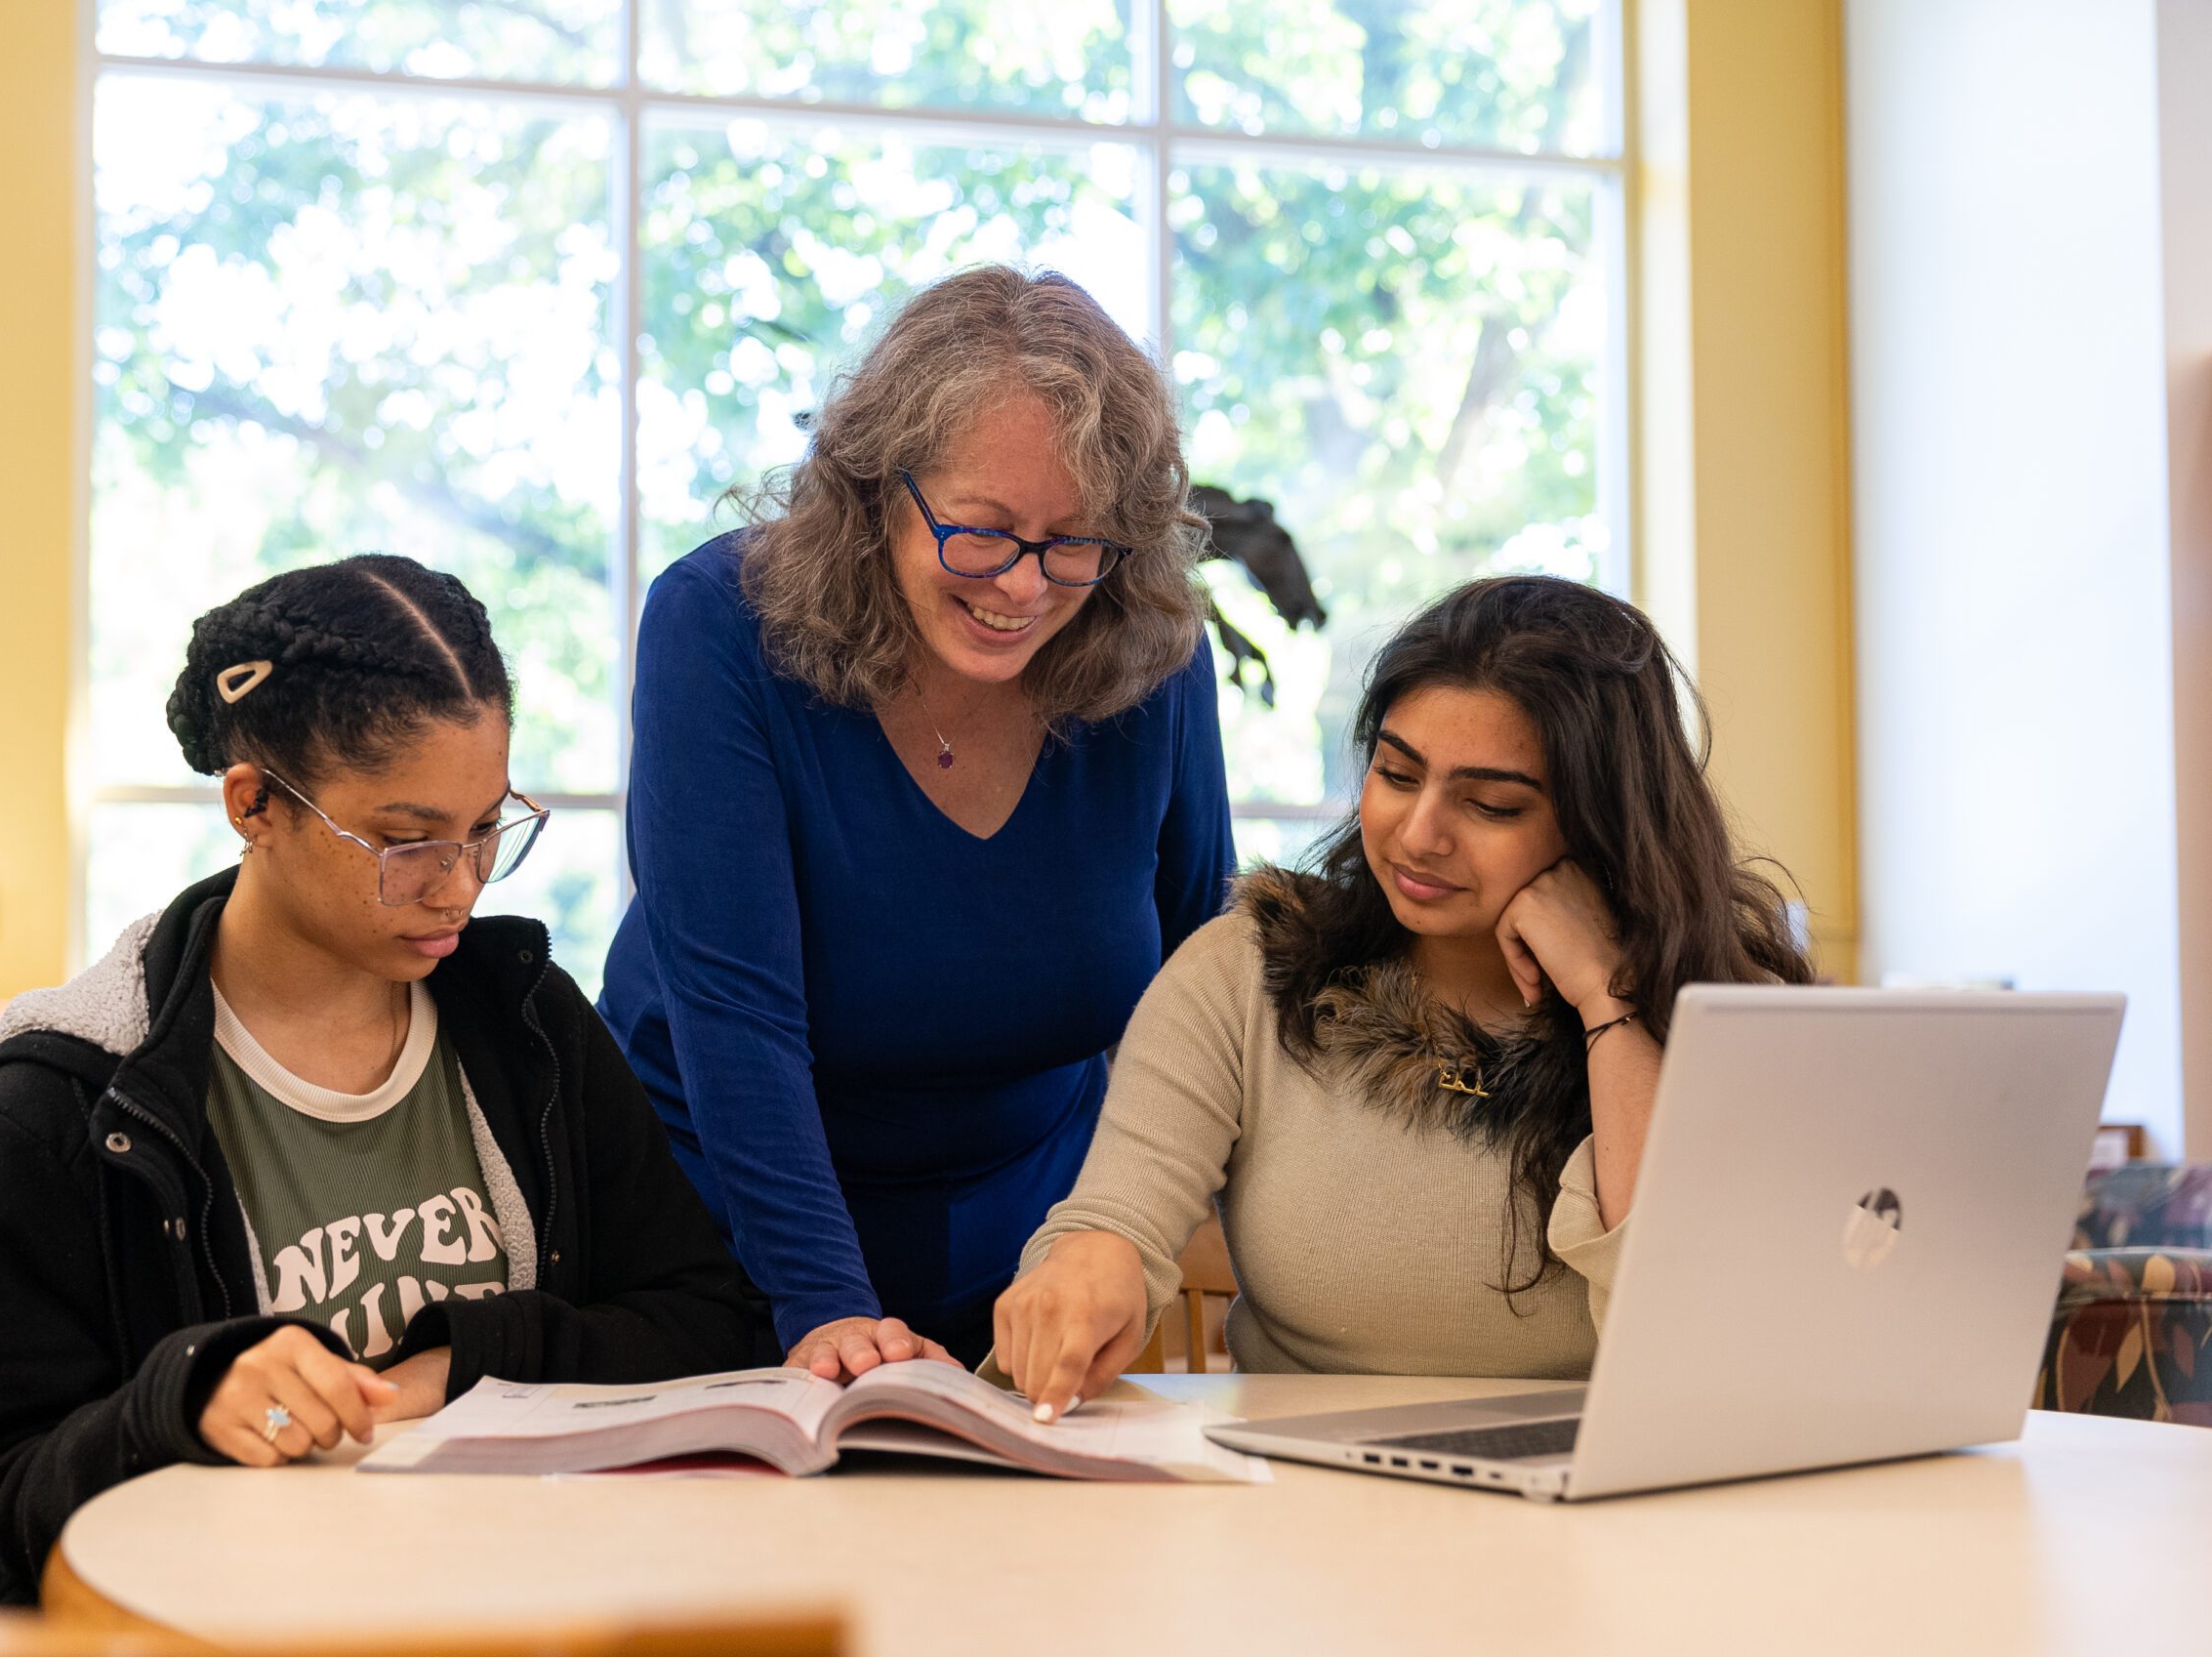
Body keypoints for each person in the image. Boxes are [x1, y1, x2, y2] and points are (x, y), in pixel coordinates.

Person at [0, 556, 772, 1604]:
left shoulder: (526, 1023)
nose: (458, 886)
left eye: (485, 830)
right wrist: (186, 1401)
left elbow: (701, 1318)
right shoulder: (72, 1095)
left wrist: (459, 1364)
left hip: (516, 1606)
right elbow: (1, 1489)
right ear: (253, 806)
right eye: (405, 840)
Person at [598, 267, 1238, 1375]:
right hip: (722, 1231)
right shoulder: (718, 625)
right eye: (982, 531)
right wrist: (825, 1304)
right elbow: (733, 1014)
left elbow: (1203, 982)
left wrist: (1116, 1239)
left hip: (1027, 1235)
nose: (1024, 587)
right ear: (877, 490)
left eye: (1073, 541)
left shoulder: (1152, 655)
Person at [990, 573, 1813, 1417]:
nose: (1419, 837)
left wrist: (1608, 999)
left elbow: (1687, 1323)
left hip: (1613, 1505)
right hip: (1304, 1507)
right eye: (1395, 772)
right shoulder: (1248, 967)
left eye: (1491, 805)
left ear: (1601, 820)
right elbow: (1117, 1213)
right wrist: (1091, 1261)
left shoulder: (1723, 1011)